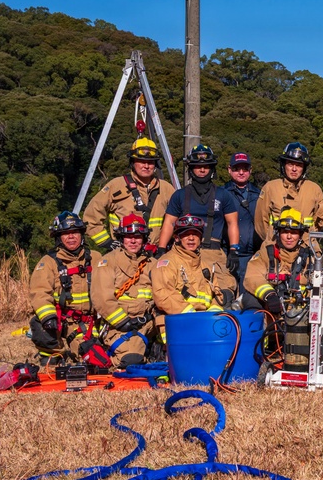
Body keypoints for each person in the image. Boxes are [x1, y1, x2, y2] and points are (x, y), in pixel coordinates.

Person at [29, 211, 106, 366]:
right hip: (60, 321)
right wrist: (48, 317)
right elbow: (39, 293)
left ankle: (84, 346)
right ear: (58, 237)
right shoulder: (48, 263)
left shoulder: (96, 258)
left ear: (82, 234)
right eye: (66, 233)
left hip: (88, 322)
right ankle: (51, 352)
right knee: (40, 323)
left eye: (75, 232)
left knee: (93, 357)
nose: (71, 237)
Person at [151, 214, 238, 344]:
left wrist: (213, 317)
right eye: (186, 234)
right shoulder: (166, 263)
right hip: (177, 323)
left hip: (204, 323)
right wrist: (193, 316)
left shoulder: (205, 265)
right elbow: (164, 296)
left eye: (195, 234)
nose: (191, 238)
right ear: (176, 238)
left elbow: (216, 296)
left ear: (201, 238)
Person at [158, 145, 241, 276]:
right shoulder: (179, 195)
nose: (202, 170)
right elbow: (169, 223)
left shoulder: (224, 195)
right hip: (182, 252)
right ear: (190, 168)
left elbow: (233, 223)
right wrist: (161, 249)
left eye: (206, 166)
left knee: (224, 289)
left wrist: (234, 250)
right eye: (197, 166)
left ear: (212, 168)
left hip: (213, 252)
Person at [83, 137, 173, 250]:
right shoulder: (116, 186)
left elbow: (179, 220)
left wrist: (164, 247)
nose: (146, 166)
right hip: (123, 254)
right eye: (141, 161)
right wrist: (106, 242)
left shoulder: (166, 189)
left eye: (150, 162)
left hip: (154, 255)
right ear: (132, 162)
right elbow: (91, 217)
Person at [92, 214, 157, 367]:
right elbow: (102, 298)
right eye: (128, 236)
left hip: (150, 322)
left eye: (137, 236)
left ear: (144, 238)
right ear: (121, 238)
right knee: (131, 360)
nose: (133, 241)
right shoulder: (107, 262)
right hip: (120, 325)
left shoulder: (153, 264)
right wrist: (123, 322)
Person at [243, 208, 314, 316]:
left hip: (299, 315)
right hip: (271, 311)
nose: (289, 237)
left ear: (300, 235)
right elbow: (252, 277)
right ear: (278, 233)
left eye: (294, 232)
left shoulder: (309, 258)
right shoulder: (265, 254)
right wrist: (269, 295)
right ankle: (258, 330)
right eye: (285, 232)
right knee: (249, 298)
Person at [254, 142, 323, 240]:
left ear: (304, 168)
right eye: (290, 164)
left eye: (299, 165)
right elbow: (260, 222)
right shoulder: (270, 188)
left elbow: (319, 223)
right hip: (276, 247)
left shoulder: (314, 189)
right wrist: (272, 243)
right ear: (283, 165)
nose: (294, 169)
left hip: (306, 247)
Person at [221, 152, 261, 285]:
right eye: (236, 169)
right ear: (229, 170)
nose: (241, 172)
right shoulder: (221, 193)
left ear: (250, 170)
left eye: (245, 169)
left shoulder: (260, 195)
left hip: (252, 255)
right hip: (228, 253)